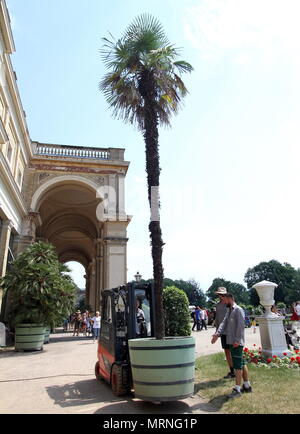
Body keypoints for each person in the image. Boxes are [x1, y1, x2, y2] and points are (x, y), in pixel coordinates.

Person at [211, 293, 252, 399]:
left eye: (224, 300)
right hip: (231, 341)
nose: (223, 303)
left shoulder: (238, 310)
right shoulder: (230, 310)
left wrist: (238, 340)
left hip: (236, 342)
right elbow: (223, 323)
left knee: (237, 366)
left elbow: (241, 326)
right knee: (241, 363)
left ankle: (237, 389)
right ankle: (247, 386)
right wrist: (217, 333)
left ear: (229, 299)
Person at [214, 287, 235, 379]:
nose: (221, 296)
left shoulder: (230, 304)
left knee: (233, 351)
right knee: (226, 351)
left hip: (231, 331)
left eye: (222, 295)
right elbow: (217, 319)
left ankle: (237, 370)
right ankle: (232, 371)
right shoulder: (218, 305)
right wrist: (217, 331)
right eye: (219, 294)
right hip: (222, 332)